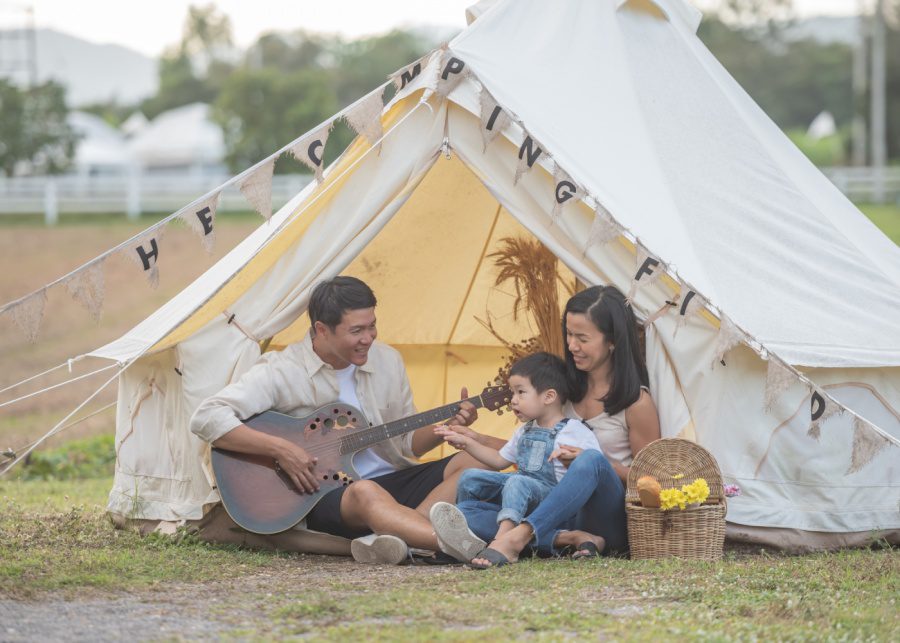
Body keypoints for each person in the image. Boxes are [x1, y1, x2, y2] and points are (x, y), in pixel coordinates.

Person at [189, 276, 503, 564]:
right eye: (357, 331)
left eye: (372, 326)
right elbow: (208, 417)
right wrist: (281, 450)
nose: (368, 338)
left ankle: (404, 536)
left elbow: (409, 446)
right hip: (329, 496)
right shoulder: (281, 370)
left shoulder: (387, 361)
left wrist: (448, 426)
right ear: (322, 329)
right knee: (366, 491)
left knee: (476, 462)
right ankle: (454, 545)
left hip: (392, 483)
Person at [438, 285, 661, 567]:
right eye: (569, 334)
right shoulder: (560, 390)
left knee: (591, 459)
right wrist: (476, 437)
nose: (572, 346)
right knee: (465, 511)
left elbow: (651, 484)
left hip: (604, 517)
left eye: (582, 338)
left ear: (612, 341)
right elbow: (527, 447)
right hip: (556, 511)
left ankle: (518, 538)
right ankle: (567, 539)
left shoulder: (636, 402)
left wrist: (595, 463)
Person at [432, 352, 603, 567]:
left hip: (553, 505)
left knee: (517, 481)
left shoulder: (574, 431)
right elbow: (498, 461)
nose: (513, 400)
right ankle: (465, 539)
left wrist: (575, 458)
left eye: (521, 392)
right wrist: (466, 441)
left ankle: (502, 540)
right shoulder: (524, 430)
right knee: (470, 478)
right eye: (513, 393)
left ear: (549, 396)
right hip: (521, 497)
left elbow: (594, 470)